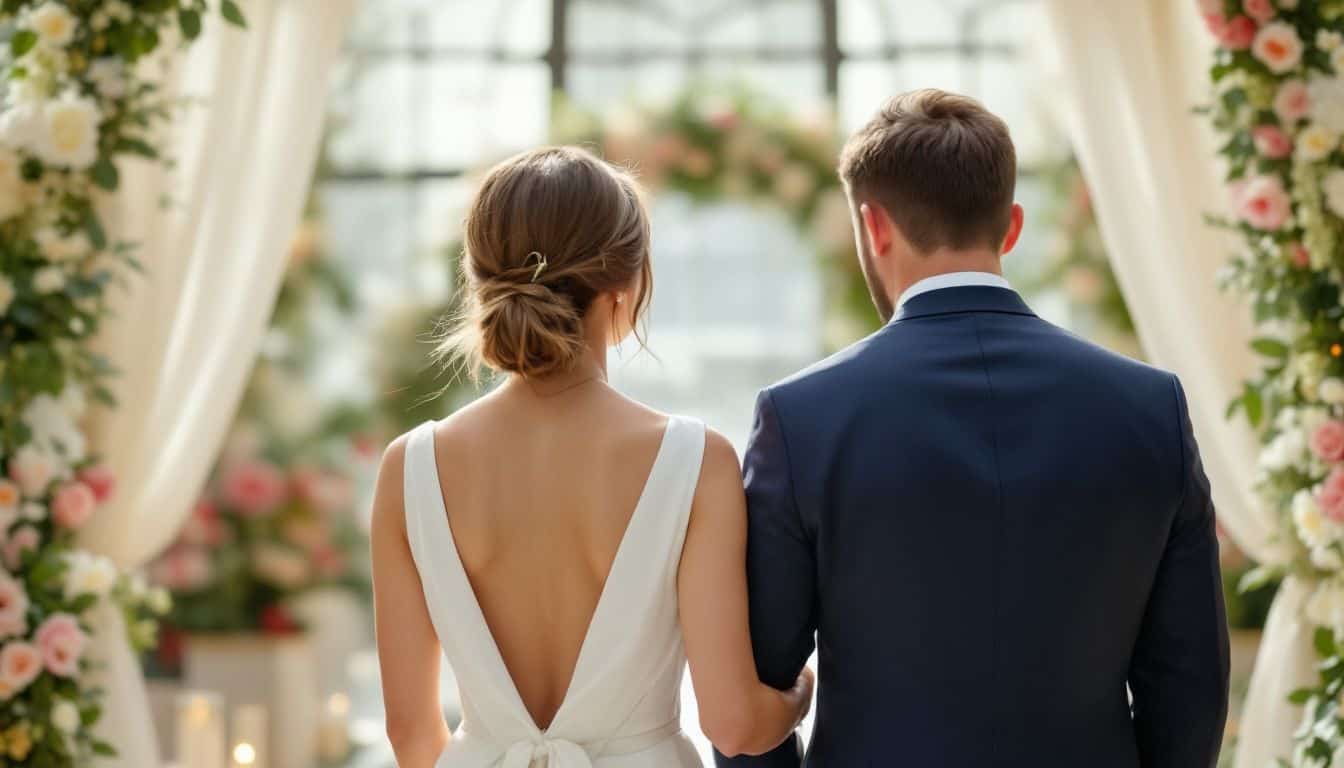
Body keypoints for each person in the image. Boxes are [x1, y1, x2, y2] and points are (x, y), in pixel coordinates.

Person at [714, 89, 1230, 768]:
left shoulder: (801, 418)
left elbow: (758, 688)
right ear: (1012, 226)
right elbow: (1190, 683)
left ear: (874, 228)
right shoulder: (1149, 406)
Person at [369, 146, 813, 768]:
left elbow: (411, 735)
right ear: (627, 285)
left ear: (478, 281)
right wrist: (799, 695)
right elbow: (734, 724)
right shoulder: (694, 461)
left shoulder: (409, 469)